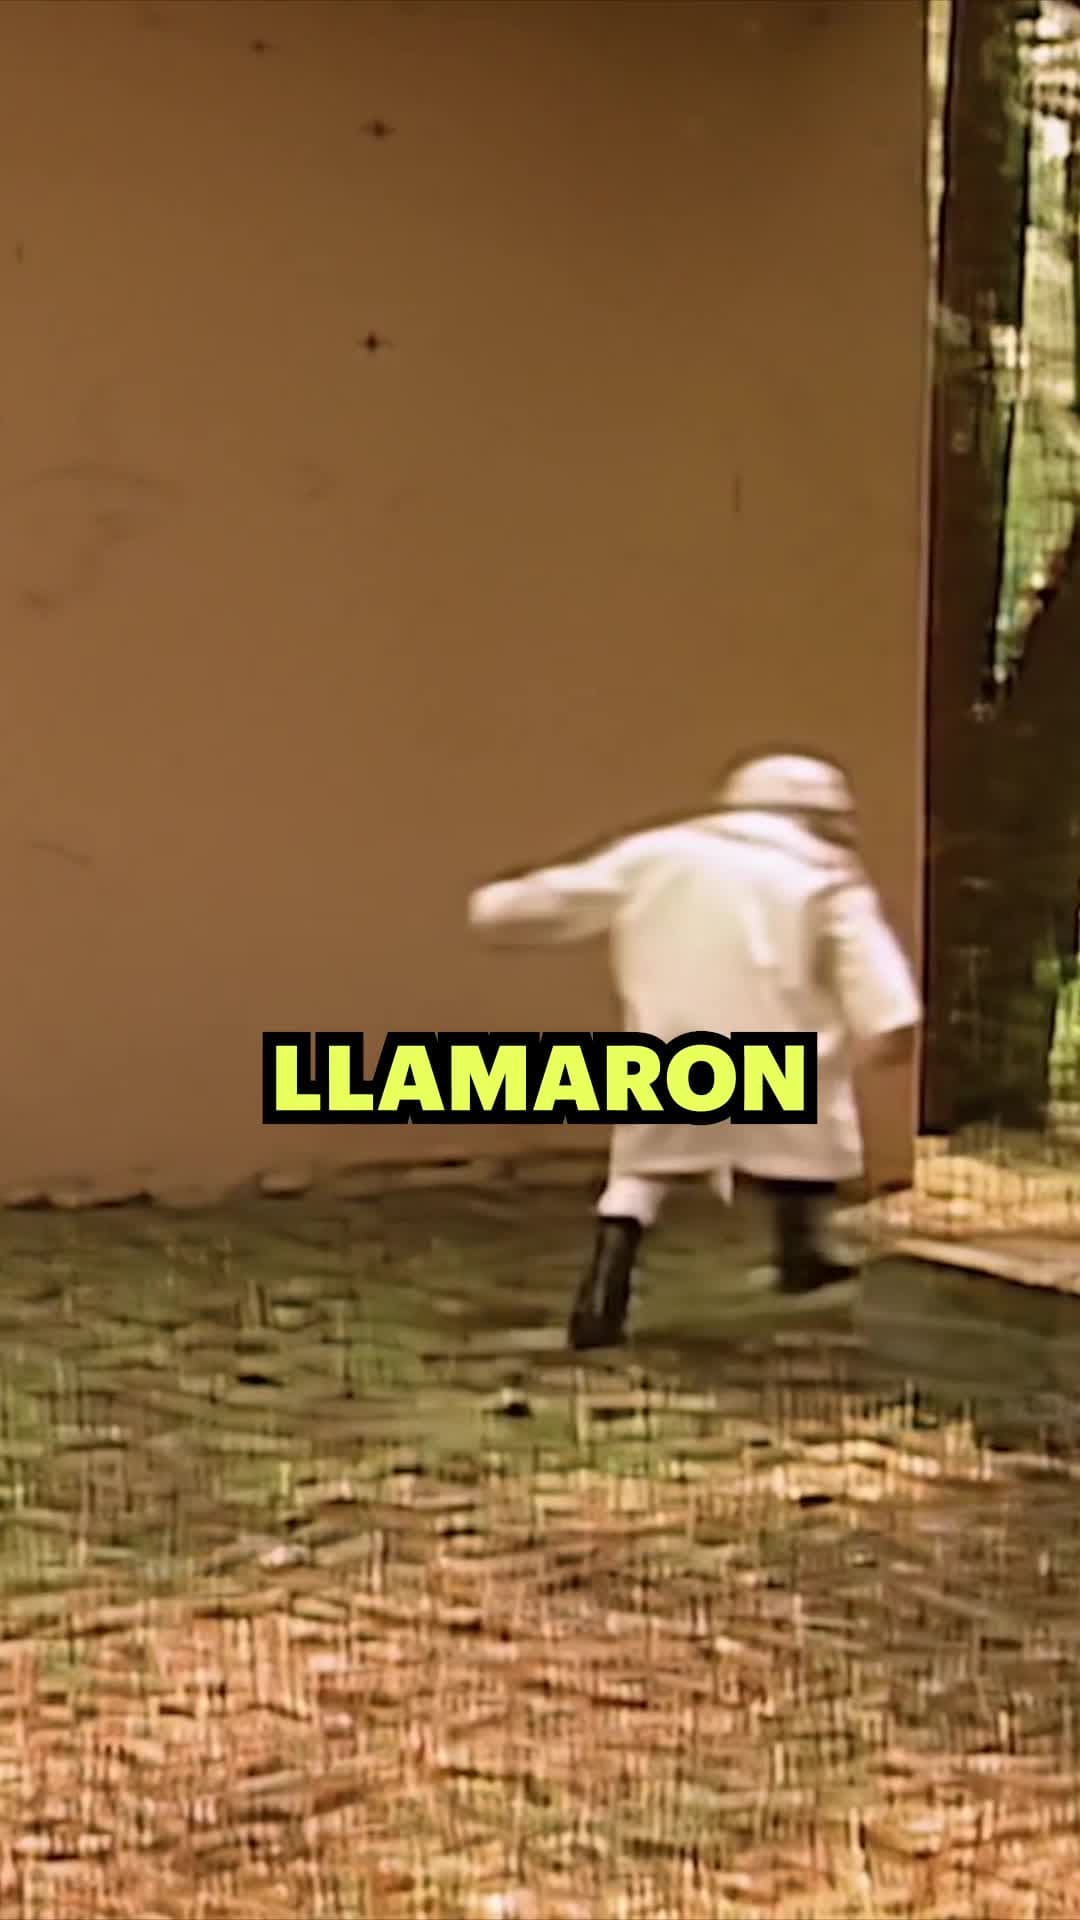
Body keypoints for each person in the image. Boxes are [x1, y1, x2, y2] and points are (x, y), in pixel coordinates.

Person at [466, 751, 921, 1351]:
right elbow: (871, 971)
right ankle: (801, 1256)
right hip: (782, 1059)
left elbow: (563, 897)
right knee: (802, 1144)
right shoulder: (825, 879)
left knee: (639, 1176)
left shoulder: (661, 853)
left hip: (674, 1051)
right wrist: (889, 1024)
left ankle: (601, 1299)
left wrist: (496, 907)